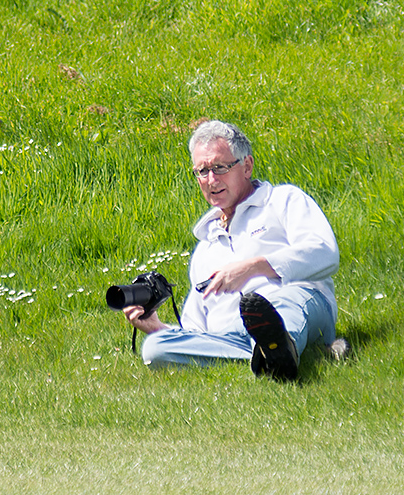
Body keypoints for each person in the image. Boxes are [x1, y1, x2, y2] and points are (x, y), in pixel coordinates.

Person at [123, 120, 347, 380]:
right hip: (229, 333)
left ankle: (281, 346)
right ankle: (272, 356)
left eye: (220, 167)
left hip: (299, 304)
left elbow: (325, 253)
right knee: (155, 348)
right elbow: (197, 331)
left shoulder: (283, 200)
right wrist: (156, 327)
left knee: (283, 304)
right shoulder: (204, 247)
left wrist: (253, 268)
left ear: (247, 166)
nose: (211, 180)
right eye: (202, 171)